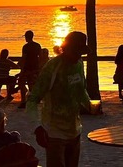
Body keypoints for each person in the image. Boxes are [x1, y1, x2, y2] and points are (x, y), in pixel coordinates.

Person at [26, 31, 91, 167]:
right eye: (75, 51)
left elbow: (81, 90)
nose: (78, 55)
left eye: (81, 52)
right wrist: (37, 128)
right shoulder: (52, 67)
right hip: (54, 133)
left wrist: (89, 104)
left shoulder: (79, 64)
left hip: (75, 130)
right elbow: (33, 99)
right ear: (65, 48)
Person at [18, 30, 42, 108]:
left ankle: (23, 101)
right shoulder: (37, 45)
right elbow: (40, 57)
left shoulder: (25, 47)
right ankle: (32, 99)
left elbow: (24, 58)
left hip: (27, 68)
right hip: (35, 68)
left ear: (27, 37)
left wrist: (21, 69)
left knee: (21, 82)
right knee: (32, 84)